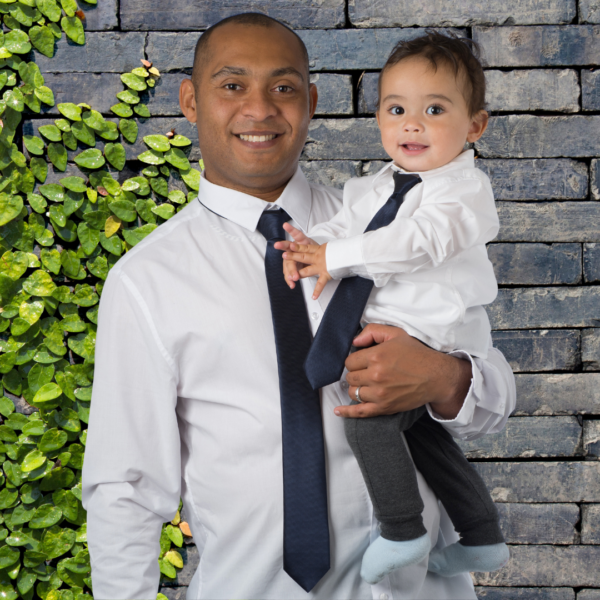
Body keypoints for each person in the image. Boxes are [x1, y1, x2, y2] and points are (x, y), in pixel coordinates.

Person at [81, 13, 516, 600]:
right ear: (189, 101)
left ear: (310, 101)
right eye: (232, 85)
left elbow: (496, 397)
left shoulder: (384, 228)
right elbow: (125, 489)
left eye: (283, 88)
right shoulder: (147, 280)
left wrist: (443, 376)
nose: (259, 109)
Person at [276, 31, 510, 585]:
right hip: (397, 330)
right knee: (422, 434)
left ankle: (402, 529)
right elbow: (346, 227)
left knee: (369, 422)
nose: (412, 124)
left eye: (435, 109)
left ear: (474, 126)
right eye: (396, 109)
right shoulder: (374, 187)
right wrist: (310, 246)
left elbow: (416, 241)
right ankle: (481, 535)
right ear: (379, 117)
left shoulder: (462, 191)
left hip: (436, 334)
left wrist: (337, 256)